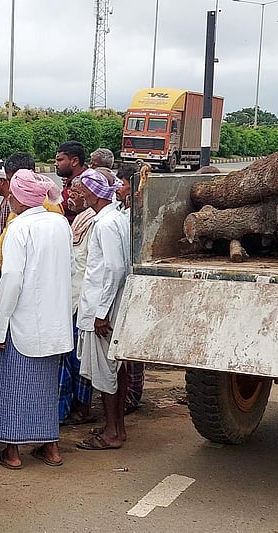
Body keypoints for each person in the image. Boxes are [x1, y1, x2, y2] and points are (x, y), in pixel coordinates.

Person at [0, 170, 73, 470]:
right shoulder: (60, 223)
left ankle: (12, 452)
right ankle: (51, 448)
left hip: (23, 322)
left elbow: (11, 280)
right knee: (46, 388)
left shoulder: (19, 227)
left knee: (13, 386)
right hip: (55, 322)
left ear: (17, 198)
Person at [72, 169, 131, 450]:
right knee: (115, 370)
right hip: (107, 305)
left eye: (83, 192)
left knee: (107, 372)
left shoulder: (106, 224)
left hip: (102, 309)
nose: (79, 196)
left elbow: (115, 269)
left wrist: (101, 312)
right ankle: (117, 427)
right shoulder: (113, 218)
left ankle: (111, 433)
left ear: (94, 194)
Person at [58, 172, 99, 425]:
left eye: (77, 193)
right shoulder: (78, 222)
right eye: (71, 193)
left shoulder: (94, 223)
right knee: (71, 357)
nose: (72, 197)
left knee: (79, 359)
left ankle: (83, 408)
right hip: (72, 299)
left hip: (83, 301)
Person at [116, 163, 146, 413]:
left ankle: (132, 396)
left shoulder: (139, 214)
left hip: (134, 285)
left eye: (122, 183)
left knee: (132, 350)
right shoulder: (123, 211)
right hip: (128, 285)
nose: (118, 188)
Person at [55, 141, 89, 223]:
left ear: (74, 161)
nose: (56, 164)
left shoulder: (86, 183)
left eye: (59, 160)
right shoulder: (70, 180)